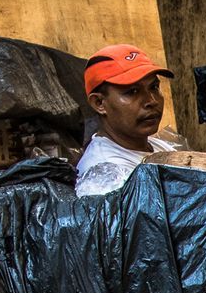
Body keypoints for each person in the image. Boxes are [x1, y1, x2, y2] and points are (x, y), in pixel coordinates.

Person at [75, 44, 177, 196]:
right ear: (99, 103)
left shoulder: (156, 146)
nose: (151, 101)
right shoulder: (105, 177)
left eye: (154, 87)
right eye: (132, 92)